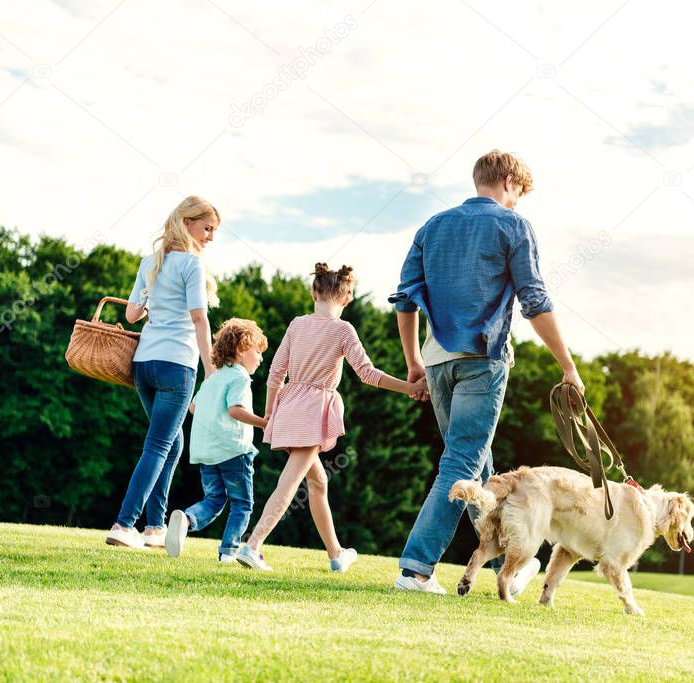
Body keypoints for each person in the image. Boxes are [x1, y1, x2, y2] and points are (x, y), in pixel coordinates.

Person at [389, 150, 585, 594]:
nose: (518, 203)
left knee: (481, 466)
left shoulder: (432, 226)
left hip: (437, 361)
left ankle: (511, 564)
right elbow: (534, 299)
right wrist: (567, 365)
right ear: (510, 183)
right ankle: (415, 569)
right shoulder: (513, 225)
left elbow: (404, 300)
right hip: (483, 360)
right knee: (460, 461)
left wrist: (413, 361)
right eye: (520, 194)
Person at [235, 263, 427, 571]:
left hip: (289, 406)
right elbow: (367, 374)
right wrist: (409, 388)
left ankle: (336, 554)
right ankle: (253, 545)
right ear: (347, 297)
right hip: (312, 412)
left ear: (314, 291)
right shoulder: (343, 329)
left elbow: (275, 374)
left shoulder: (296, 324)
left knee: (318, 483)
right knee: (290, 481)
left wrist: (271, 413)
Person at [107, 196, 220, 549]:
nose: (211, 238)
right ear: (187, 223)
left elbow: (132, 315)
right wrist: (211, 368)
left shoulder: (149, 262)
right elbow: (199, 319)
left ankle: (155, 527)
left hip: (144, 365)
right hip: (177, 366)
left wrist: (154, 296)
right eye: (207, 229)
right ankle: (124, 524)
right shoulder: (192, 265)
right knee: (158, 445)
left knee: (172, 444)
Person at [164, 319, 268, 562]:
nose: (261, 359)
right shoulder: (240, 378)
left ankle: (187, 519)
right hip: (233, 450)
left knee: (214, 499)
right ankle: (229, 553)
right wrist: (264, 423)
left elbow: (192, 407)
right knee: (243, 504)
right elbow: (235, 410)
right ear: (242, 349)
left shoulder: (212, 379)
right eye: (258, 352)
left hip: (206, 453)